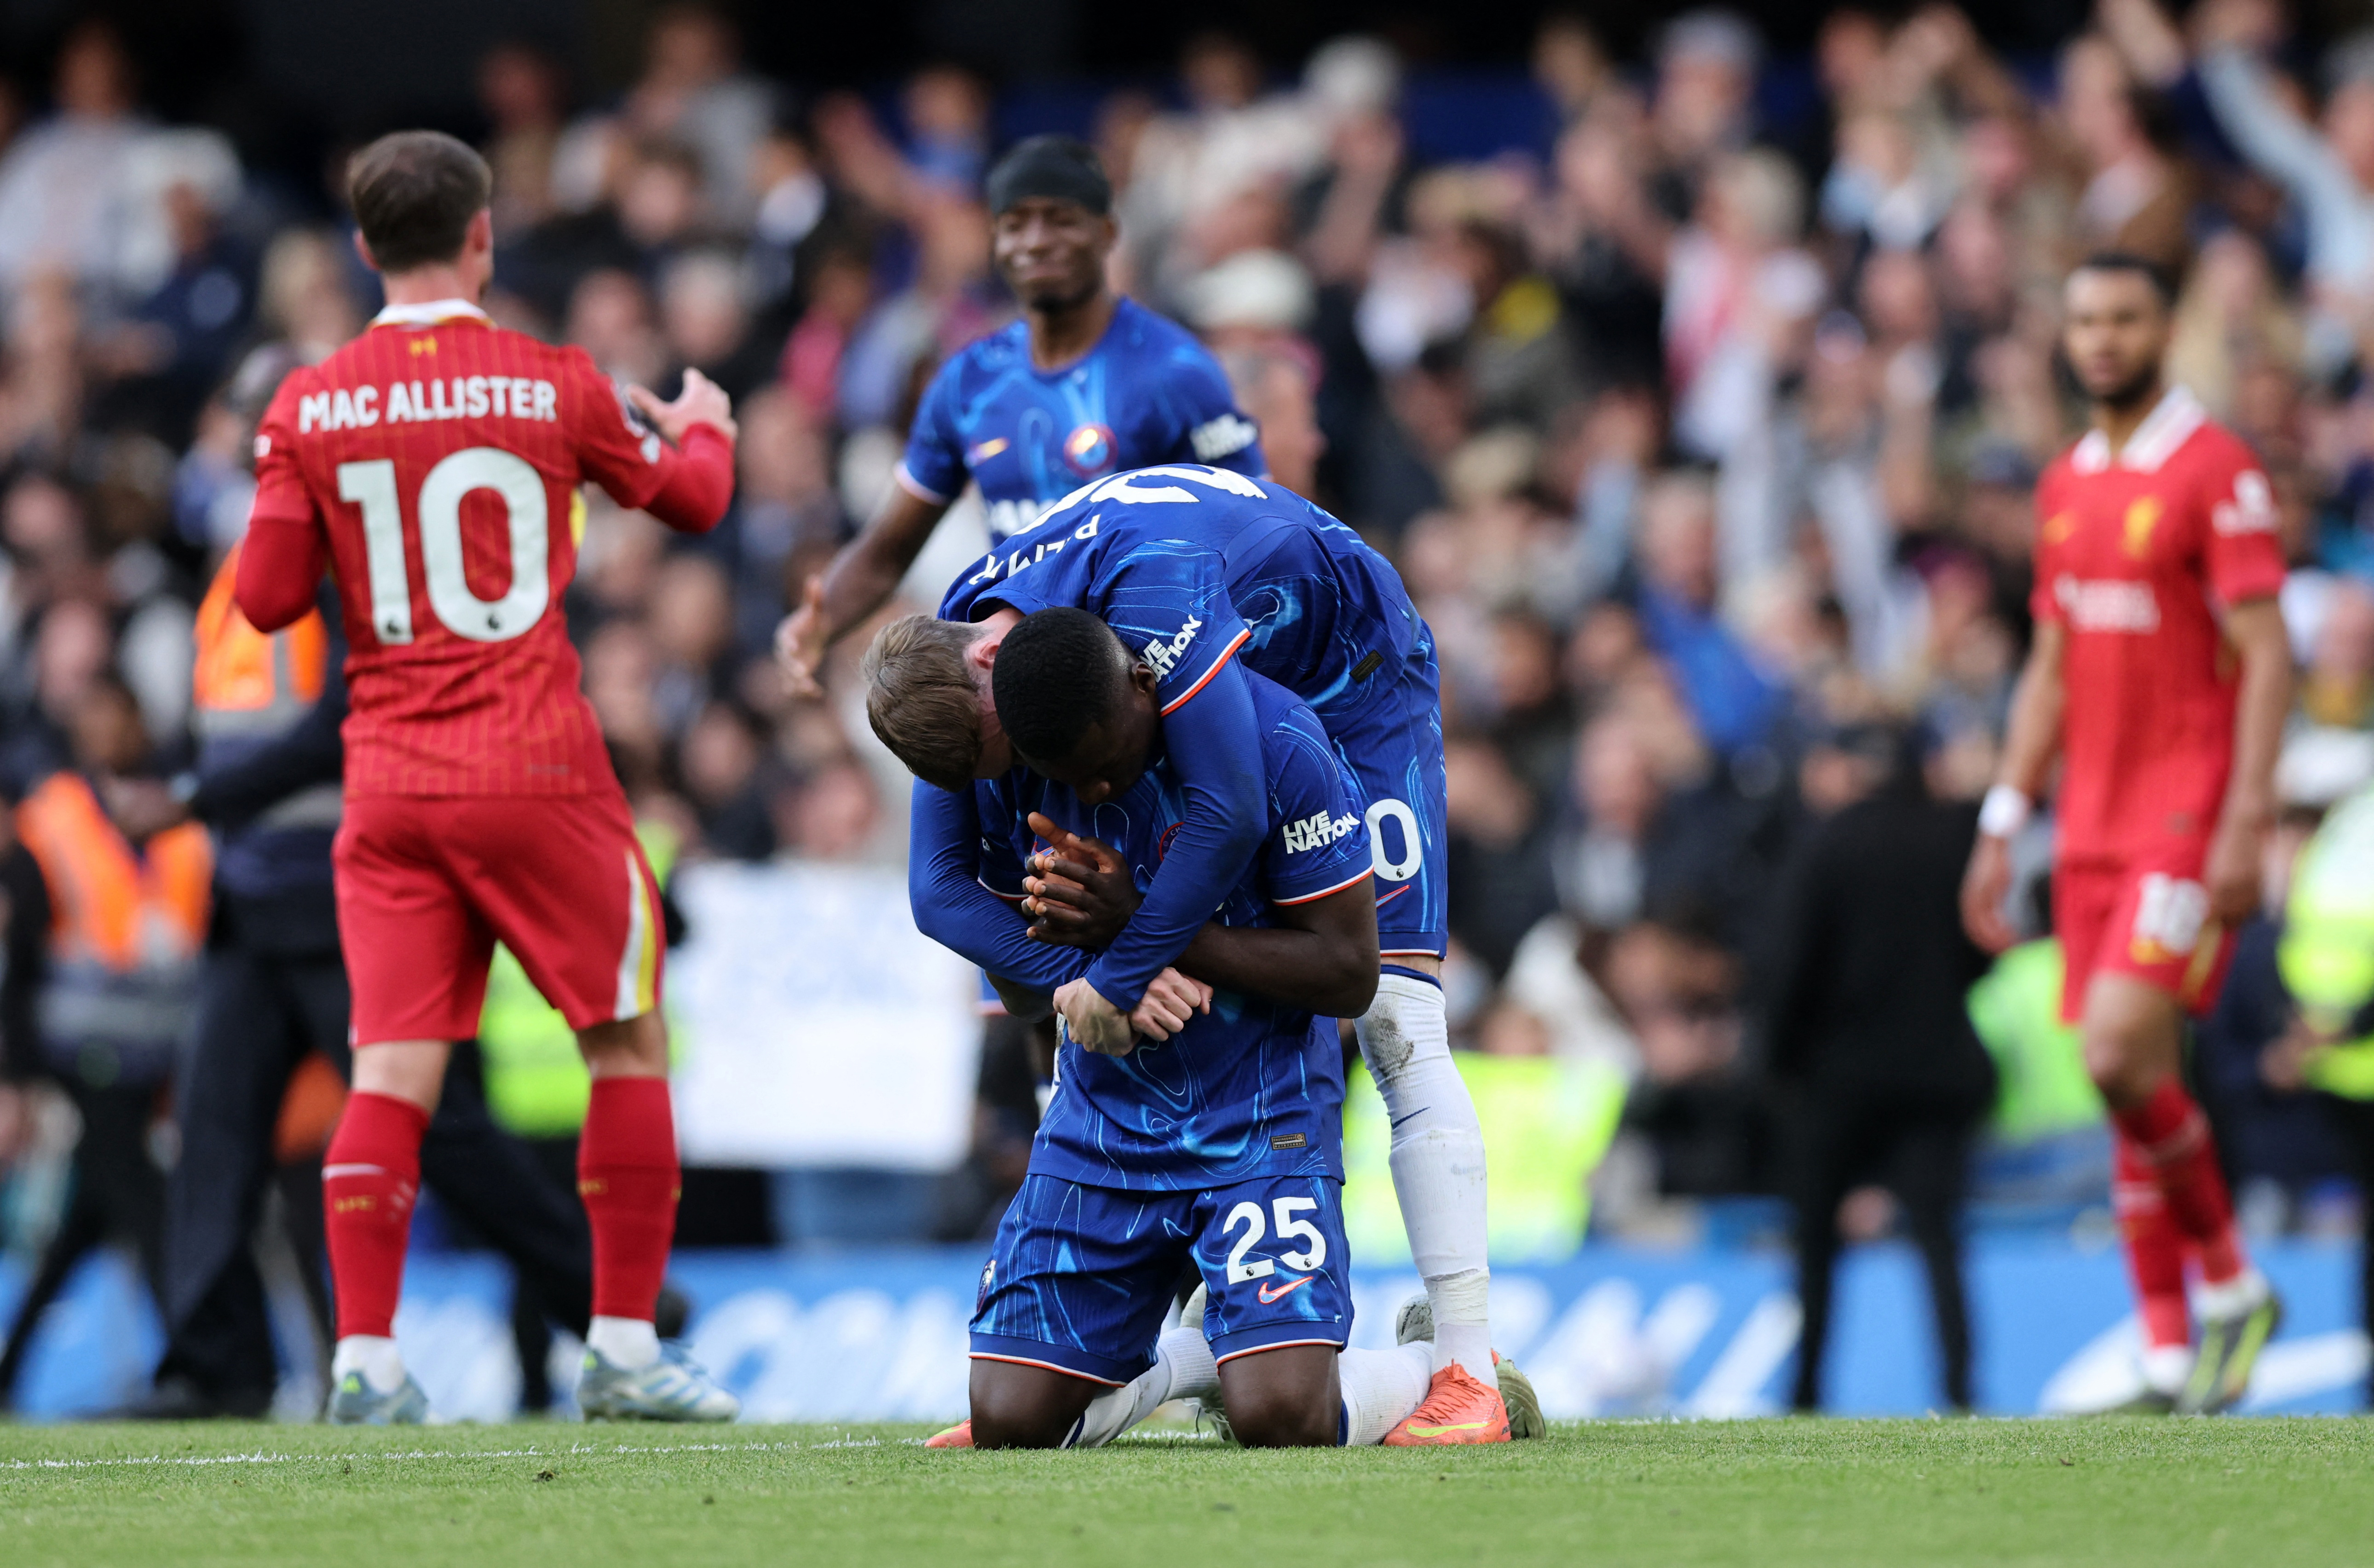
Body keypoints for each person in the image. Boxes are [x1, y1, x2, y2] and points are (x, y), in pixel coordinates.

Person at [230, 130, 740, 1424]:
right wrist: (707, 427)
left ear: (361, 250)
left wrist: (289, 477)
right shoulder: (552, 382)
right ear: (484, 235)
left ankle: (364, 1360)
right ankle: (624, 1348)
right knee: (625, 1040)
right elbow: (690, 503)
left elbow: (269, 596)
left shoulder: (308, 401)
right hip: (536, 768)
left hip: (390, 783)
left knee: (390, 1071)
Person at [865, 464, 1508, 1442]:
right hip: (1192, 684)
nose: (1022, 780)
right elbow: (938, 887)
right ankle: (1168, 1349)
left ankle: (1465, 1362)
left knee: (1396, 1013)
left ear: (993, 666)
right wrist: (1077, 975)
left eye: (1013, 757)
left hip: (1347, 669)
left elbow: (1228, 806)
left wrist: (1123, 969)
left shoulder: (1151, 602)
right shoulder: (961, 651)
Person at [125, 499, 614, 1419]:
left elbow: (336, 723)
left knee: (440, 1129)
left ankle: (611, 1308)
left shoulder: (353, 568)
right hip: (250, 903)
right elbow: (223, 721)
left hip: (342, 894)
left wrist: (193, 798)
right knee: (213, 1134)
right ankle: (215, 1366)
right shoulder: (239, 570)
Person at [909, 607, 1437, 1449]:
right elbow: (1011, 989)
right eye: (1066, 776)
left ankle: (1429, 1362)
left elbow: (1347, 973)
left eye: (1103, 766)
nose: (1093, 792)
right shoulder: (1011, 759)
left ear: (1146, 688)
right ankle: (1200, 1354)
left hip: (1261, 1119)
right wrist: (1069, 967)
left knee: (1283, 1417)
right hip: (1102, 1128)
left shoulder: (1277, 742)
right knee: (1009, 1418)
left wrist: (1144, 931)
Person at [1961, 252, 2291, 1415]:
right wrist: (2006, 816)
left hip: (2184, 815)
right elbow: (2050, 665)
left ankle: (2234, 1281)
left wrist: (2248, 816)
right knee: (2128, 1081)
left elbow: (2268, 656)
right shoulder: (2066, 483)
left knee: (2114, 1051)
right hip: (2089, 824)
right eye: (2085, 319)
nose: (2101, 339)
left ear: (2166, 327)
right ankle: (2164, 1349)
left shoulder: (2217, 473)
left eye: (2124, 318)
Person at [772, 134, 1266, 688]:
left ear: (1106, 232)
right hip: (1021, 682)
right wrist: (819, 622)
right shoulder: (968, 383)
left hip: (1154, 684)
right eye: (1015, 223)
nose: (1036, 241)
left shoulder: (1175, 370)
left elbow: (1255, 534)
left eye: (1060, 219)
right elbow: (889, 551)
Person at [1758, 726, 1996, 1413]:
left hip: (1839, 1076)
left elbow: (1790, 966)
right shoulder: (1955, 840)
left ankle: (1805, 1392)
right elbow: (1984, 948)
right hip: (1937, 1069)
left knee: (1816, 1247)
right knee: (1940, 1239)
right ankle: (1959, 1390)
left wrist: (1776, 1066)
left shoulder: (1828, 844)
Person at [0, 676, 193, 1406]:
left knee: (87, 1224)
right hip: (85, 1050)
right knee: (144, 1204)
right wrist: (20, 1074)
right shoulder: (56, 819)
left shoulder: (175, 807)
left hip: (159, 1052)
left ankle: (10, 1372)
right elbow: (24, 961)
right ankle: (191, 1355)